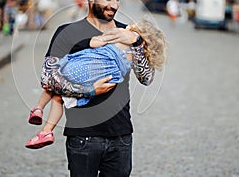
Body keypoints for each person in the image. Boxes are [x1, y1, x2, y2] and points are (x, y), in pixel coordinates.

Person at [26, 0, 162, 176]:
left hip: (121, 137)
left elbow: (146, 78)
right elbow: (48, 79)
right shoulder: (66, 33)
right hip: (83, 138)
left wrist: (136, 43)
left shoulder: (128, 33)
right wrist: (89, 90)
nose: (114, 5)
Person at [25, 16, 167, 148]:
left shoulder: (117, 36)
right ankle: (46, 131)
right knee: (57, 97)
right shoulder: (135, 51)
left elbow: (146, 78)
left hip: (79, 71)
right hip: (86, 123)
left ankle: (39, 110)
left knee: (55, 90)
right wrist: (137, 44)